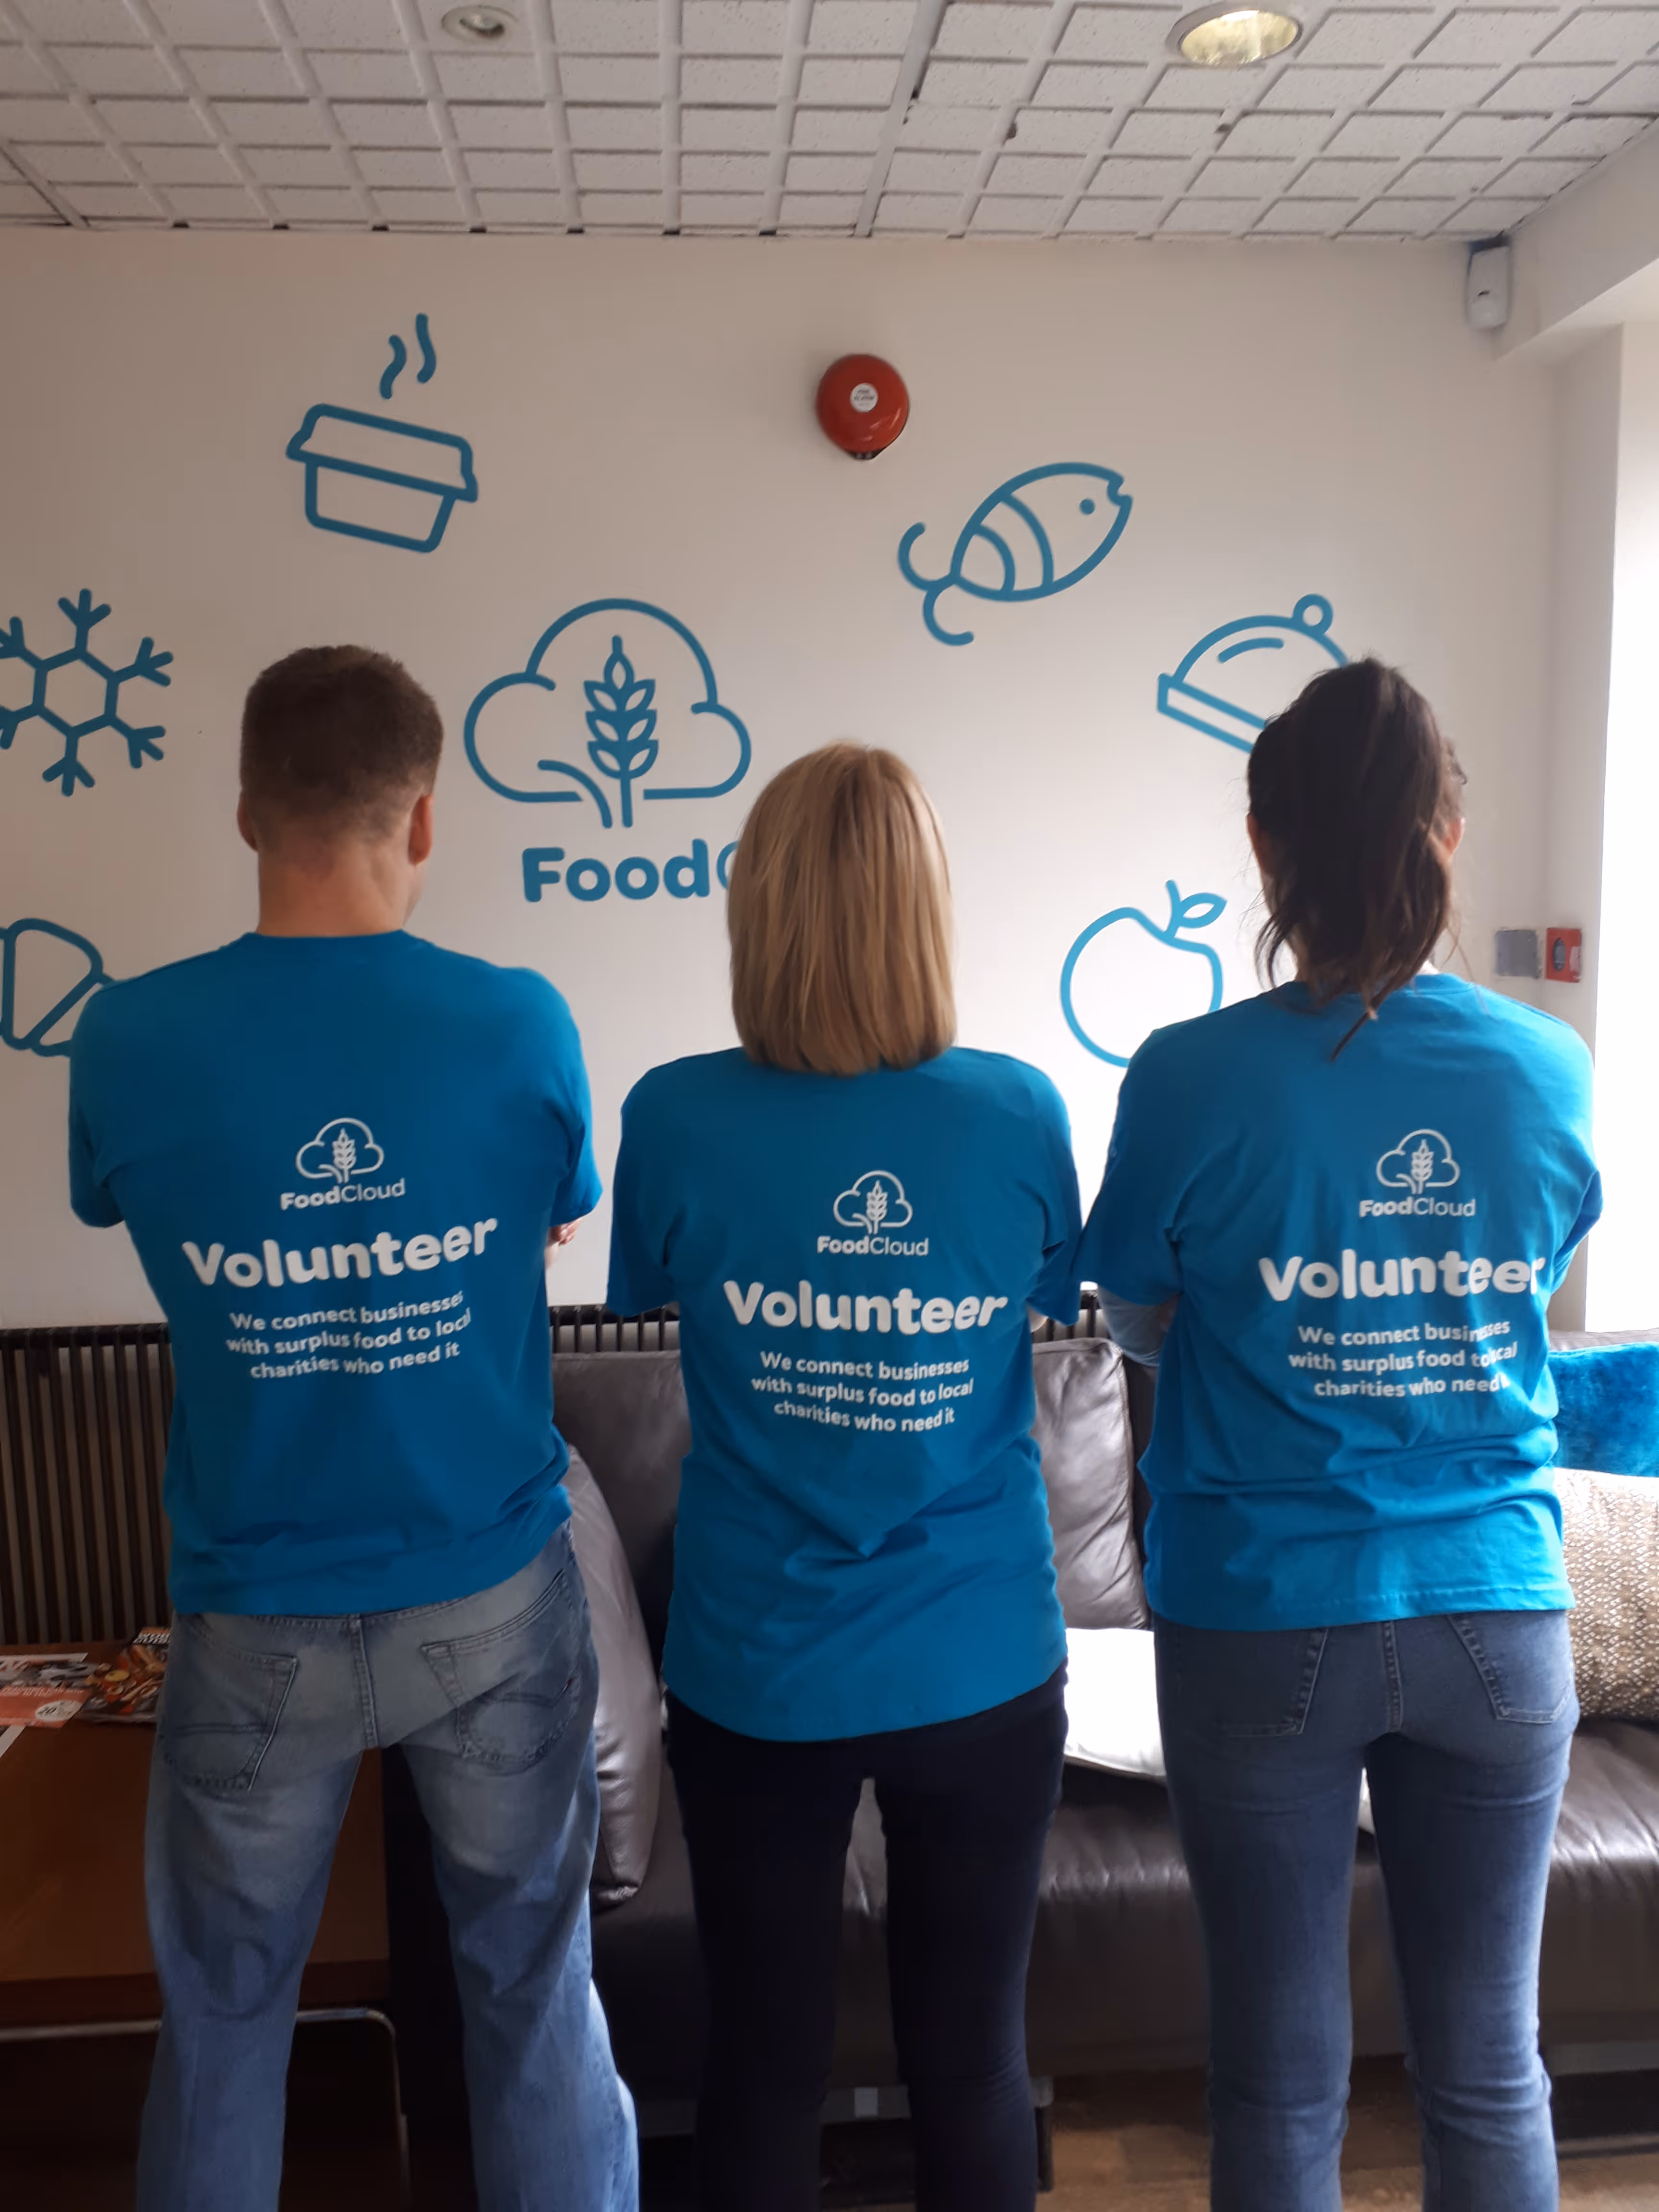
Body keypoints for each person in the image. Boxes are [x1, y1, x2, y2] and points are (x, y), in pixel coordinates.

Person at [67, 646, 636, 2212]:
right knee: (533, 1993)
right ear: (426, 817)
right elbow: (553, 1213)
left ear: (248, 811)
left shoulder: (128, 1039)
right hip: (490, 1595)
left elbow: (117, 1197)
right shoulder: (520, 1025)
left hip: (256, 1611)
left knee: (224, 2023)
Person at [1079, 659, 1600, 2212]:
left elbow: (1136, 1312)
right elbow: (1521, 1288)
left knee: (1277, 2080)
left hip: (1260, 1612)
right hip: (1498, 1611)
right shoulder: (1550, 1070)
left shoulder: (1189, 1078)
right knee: (1490, 2069)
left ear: (1266, 842)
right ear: (1449, 832)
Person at [606, 745, 1082, 2212]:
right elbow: (1041, 1304)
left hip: (761, 1668)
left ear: (758, 915)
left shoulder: (676, 1116)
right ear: (926, 913)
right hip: (981, 1659)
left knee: (762, 2068)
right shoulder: (1018, 1113)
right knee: (975, 2064)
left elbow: (655, 1291)